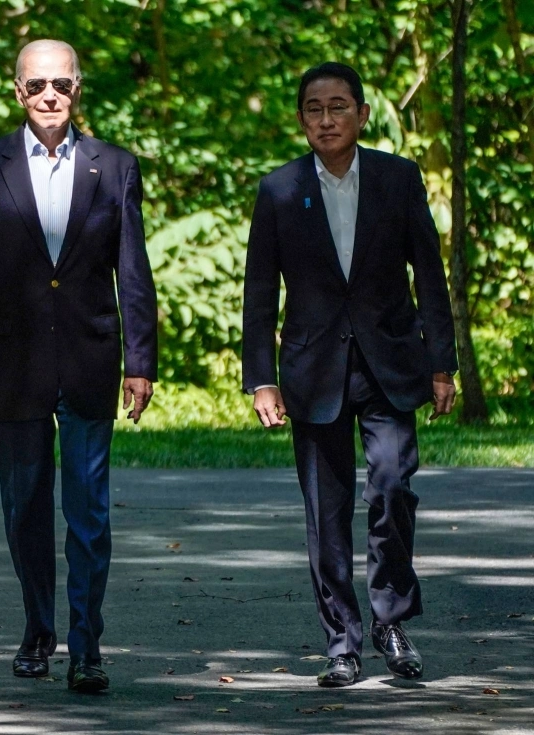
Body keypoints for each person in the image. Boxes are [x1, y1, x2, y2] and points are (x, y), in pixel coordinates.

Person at [0, 39, 158, 693]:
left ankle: (86, 643)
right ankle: (39, 626)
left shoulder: (113, 166)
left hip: (90, 358)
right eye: (37, 86)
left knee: (88, 511)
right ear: (17, 92)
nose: (50, 96)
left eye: (62, 83)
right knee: (24, 507)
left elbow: (134, 273)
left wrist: (140, 361)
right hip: (11, 363)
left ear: (79, 88)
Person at [242, 62, 458, 687]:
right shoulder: (278, 190)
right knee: (325, 512)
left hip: (390, 362)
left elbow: (430, 277)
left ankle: (391, 618)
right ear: (301, 118)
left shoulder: (398, 179)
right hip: (312, 371)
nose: (327, 118)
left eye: (339, 106)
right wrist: (261, 378)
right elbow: (260, 293)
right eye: (314, 108)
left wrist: (441, 362)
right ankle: (341, 641)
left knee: (392, 487)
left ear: (362, 114)